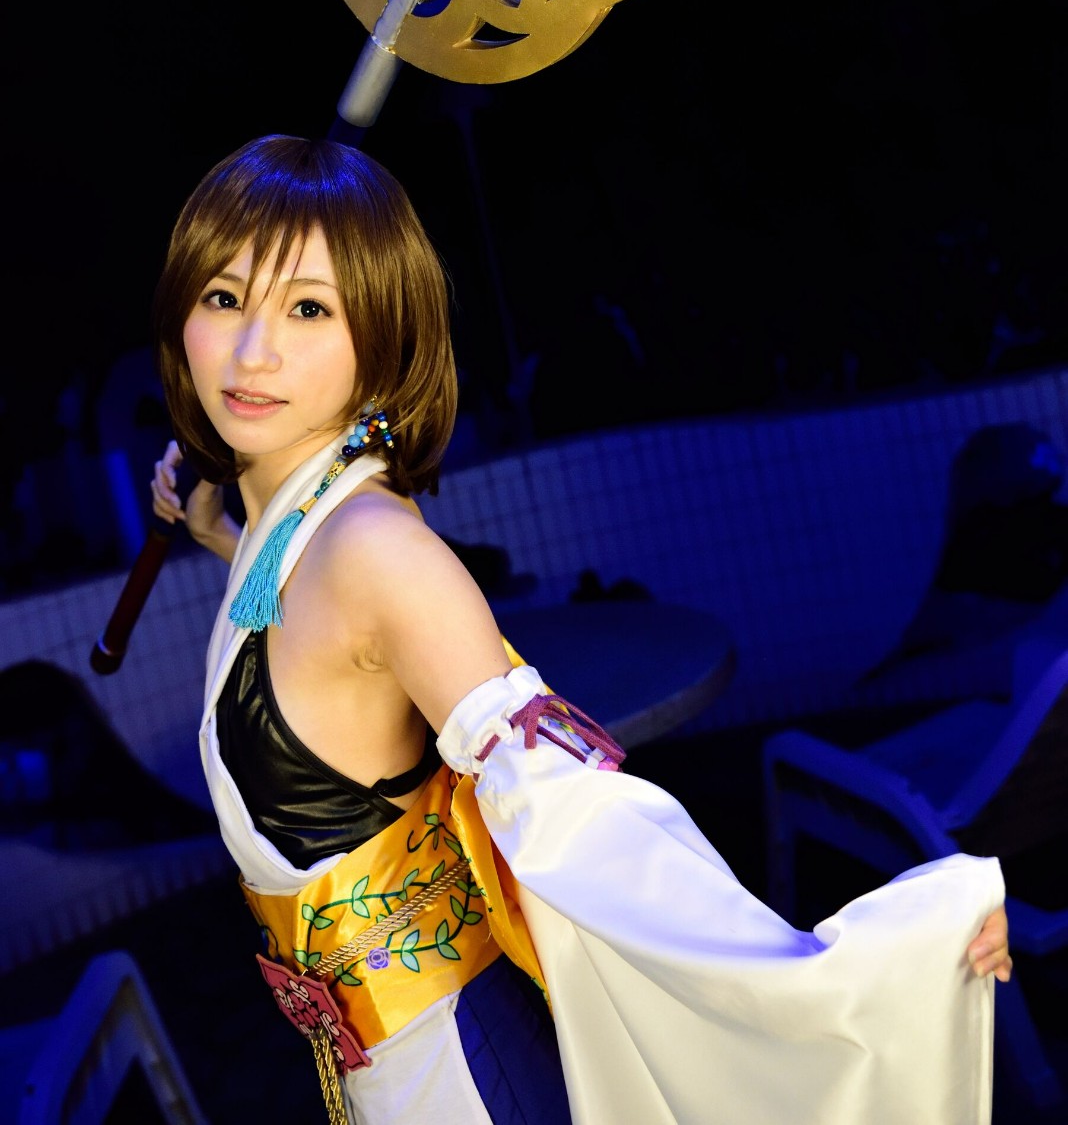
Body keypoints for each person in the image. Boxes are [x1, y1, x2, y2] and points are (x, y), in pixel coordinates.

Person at [148, 133, 1011, 1125]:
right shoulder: (301, 525)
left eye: (308, 308)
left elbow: (572, 811)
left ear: (380, 336)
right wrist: (227, 532)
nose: (252, 351)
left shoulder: (375, 550)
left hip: (453, 1073)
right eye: (224, 297)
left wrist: (874, 962)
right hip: (389, 1065)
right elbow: (306, 661)